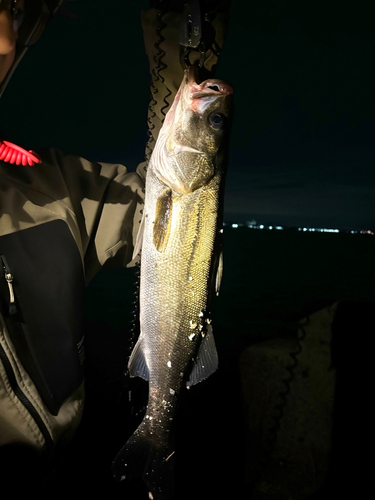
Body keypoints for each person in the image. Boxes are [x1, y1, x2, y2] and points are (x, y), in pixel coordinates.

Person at [0, 0, 230, 488]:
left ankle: (156, 430)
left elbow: (145, 206)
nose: (5, 41)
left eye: (17, 13)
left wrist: (183, 47)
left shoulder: (52, 190)